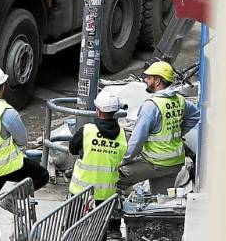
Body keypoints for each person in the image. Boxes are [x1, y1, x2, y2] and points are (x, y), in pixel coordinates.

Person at [0, 66, 49, 209]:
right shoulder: (6, 112)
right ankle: (12, 198)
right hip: (7, 166)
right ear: (3, 87)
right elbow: (22, 140)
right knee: (42, 175)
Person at [118, 62, 200, 194]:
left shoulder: (151, 106)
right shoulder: (180, 100)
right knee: (161, 199)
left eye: (149, 78)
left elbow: (137, 140)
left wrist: (124, 160)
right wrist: (180, 132)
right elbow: (195, 115)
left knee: (112, 176)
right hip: (175, 162)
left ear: (157, 81)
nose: (145, 80)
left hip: (154, 162)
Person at [68, 90, 127, 239]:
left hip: (81, 192)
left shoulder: (87, 130)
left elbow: (72, 148)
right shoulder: (122, 135)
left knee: (72, 229)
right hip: (106, 193)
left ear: (98, 111)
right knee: (100, 233)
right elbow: (122, 157)